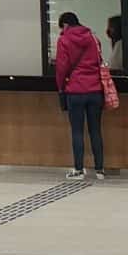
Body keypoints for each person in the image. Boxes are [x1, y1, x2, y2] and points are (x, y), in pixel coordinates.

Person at [53, 10, 105, 177]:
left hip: (75, 91)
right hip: (95, 90)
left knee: (77, 131)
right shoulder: (93, 38)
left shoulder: (64, 40)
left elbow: (61, 68)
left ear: (66, 24)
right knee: (95, 130)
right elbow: (99, 61)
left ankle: (78, 170)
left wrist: (61, 88)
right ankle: (99, 170)